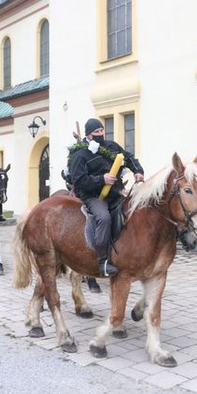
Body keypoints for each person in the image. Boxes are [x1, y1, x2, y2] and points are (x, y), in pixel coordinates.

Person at [68, 118, 145, 277]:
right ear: (89, 135)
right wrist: (101, 179)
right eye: (96, 132)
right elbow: (79, 180)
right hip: (93, 196)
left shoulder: (112, 146)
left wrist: (138, 171)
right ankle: (103, 262)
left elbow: (128, 157)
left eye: (102, 130)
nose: (100, 134)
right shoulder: (80, 154)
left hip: (116, 192)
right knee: (103, 218)